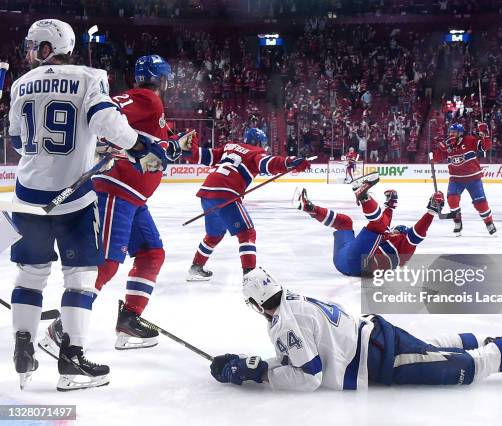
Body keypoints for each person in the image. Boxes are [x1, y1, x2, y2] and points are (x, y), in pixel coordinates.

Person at [8, 19, 172, 391]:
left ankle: (24, 345)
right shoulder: (89, 76)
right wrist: (138, 147)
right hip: (74, 201)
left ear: (47, 48)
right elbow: (107, 122)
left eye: (35, 45)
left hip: (27, 198)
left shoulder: (19, 85)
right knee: (79, 279)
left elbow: (18, 142)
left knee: (31, 275)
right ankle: (72, 361)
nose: (31, 51)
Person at [38, 55, 193, 356]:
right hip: (118, 192)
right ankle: (62, 329)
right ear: (161, 79)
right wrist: (98, 138)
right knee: (106, 262)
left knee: (151, 253)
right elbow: (107, 110)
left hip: (134, 199)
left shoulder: (151, 110)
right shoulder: (146, 98)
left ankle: (129, 321)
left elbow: (152, 147)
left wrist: (175, 145)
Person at [209, 267, 502, 390]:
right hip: (373, 339)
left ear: (257, 302)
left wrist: (260, 377)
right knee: (433, 345)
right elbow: (301, 354)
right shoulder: (290, 304)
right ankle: (500, 341)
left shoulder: (284, 323)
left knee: (464, 369)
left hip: (377, 358)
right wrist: (257, 364)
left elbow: (309, 377)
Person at [186, 138, 311, 281]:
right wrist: (289, 162)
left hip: (207, 192)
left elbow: (204, 155)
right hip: (226, 192)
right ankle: (250, 276)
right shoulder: (255, 152)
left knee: (214, 234)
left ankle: (196, 267)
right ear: (258, 143)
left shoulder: (230, 147)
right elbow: (267, 163)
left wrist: (189, 149)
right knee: (247, 233)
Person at [293, 173, 443, 277]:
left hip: (359, 264)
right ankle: (308, 207)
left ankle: (364, 197)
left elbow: (417, 233)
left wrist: (431, 212)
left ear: (401, 233)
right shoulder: (389, 238)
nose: (391, 231)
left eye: (394, 231)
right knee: (345, 222)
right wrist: (390, 206)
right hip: (342, 259)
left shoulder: (405, 246)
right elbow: (385, 224)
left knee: (379, 226)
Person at [432, 123, 496, 237]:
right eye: (450, 132)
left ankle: (489, 223)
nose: (451, 134)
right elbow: (436, 159)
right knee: (452, 200)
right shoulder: (448, 144)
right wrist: (441, 147)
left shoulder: (469, 140)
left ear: (460, 133)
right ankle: (457, 223)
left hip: (473, 179)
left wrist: (485, 134)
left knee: (481, 204)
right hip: (456, 180)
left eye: (454, 132)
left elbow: (485, 147)